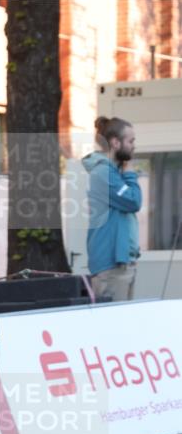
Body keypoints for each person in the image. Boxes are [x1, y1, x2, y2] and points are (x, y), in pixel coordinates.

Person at [82, 115, 142, 302]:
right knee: (116, 328)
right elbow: (134, 201)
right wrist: (131, 173)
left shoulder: (114, 172)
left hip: (122, 264)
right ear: (115, 143)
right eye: (130, 141)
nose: (134, 145)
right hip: (111, 267)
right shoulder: (104, 173)